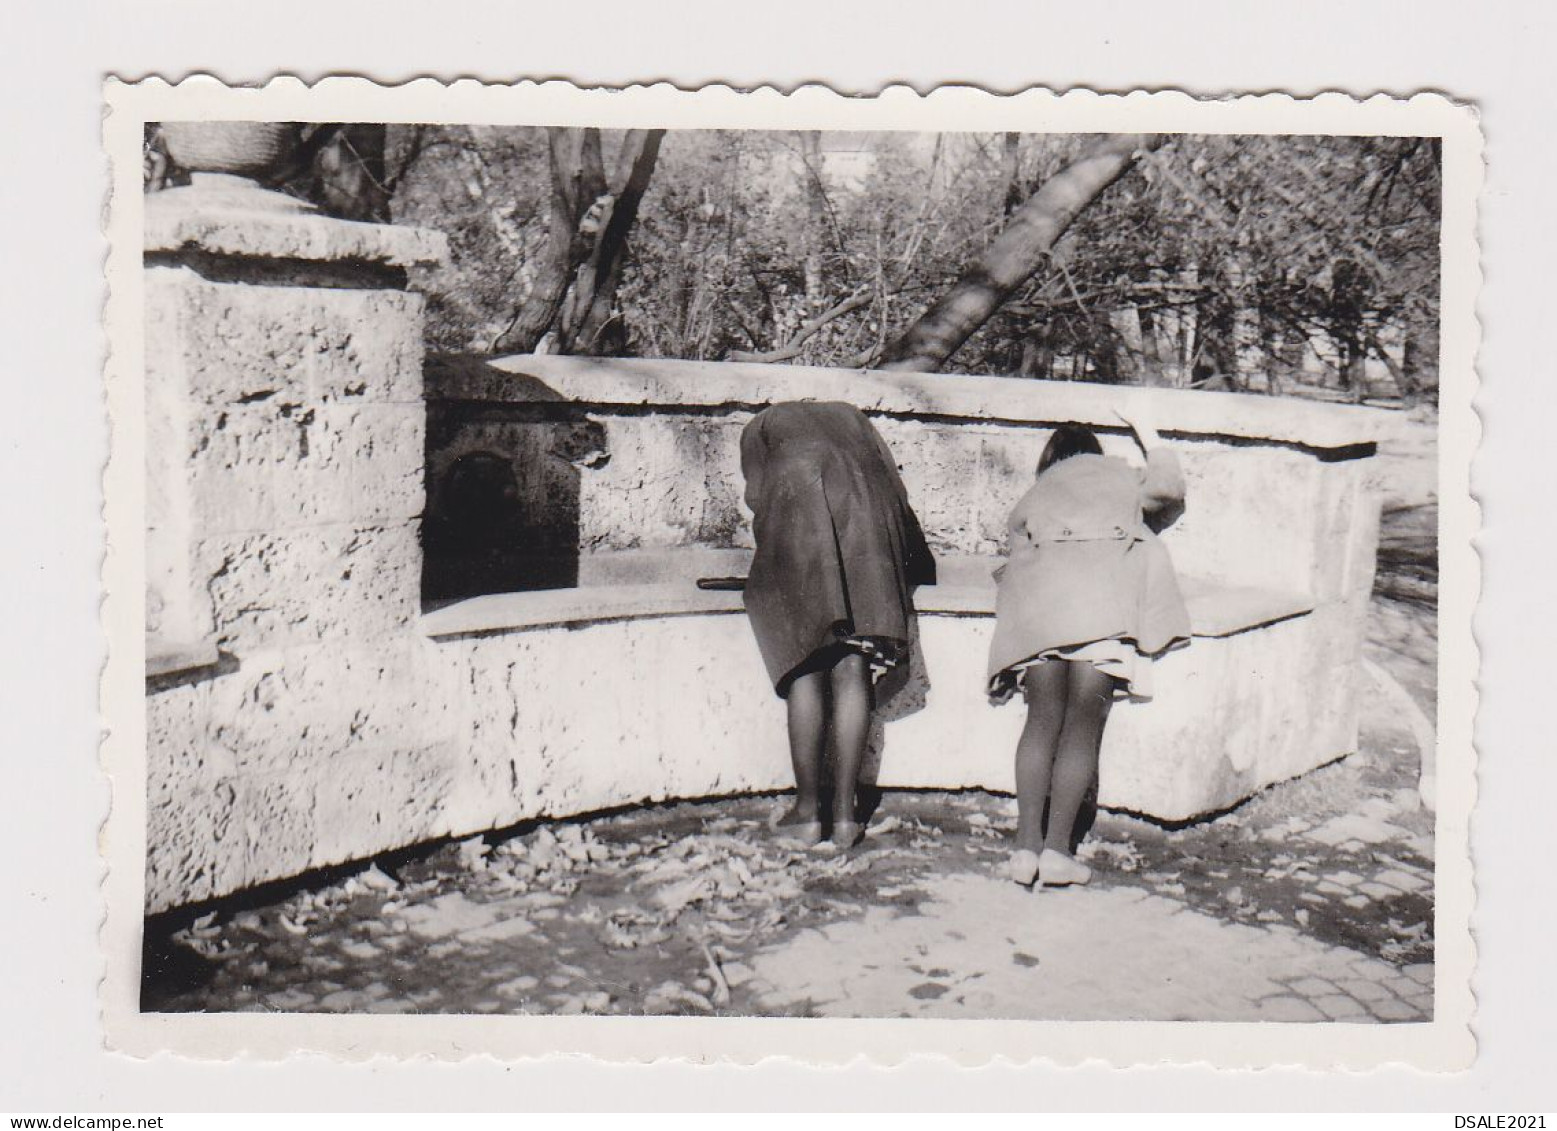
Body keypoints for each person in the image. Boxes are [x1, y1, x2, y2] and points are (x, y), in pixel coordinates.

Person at [987, 409, 1190, 887]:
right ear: (1096, 454)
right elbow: (1169, 491)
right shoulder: (1121, 478)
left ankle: (1024, 851)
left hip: (1041, 620)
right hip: (1103, 618)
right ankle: (1058, 851)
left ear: (1050, 457)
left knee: (1039, 725)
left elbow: (1015, 546)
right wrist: (1151, 435)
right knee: (1082, 729)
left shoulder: (1039, 490)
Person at [739, 401, 936, 850]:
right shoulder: (853, 420)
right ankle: (846, 817)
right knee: (853, 665)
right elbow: (899, 498)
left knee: (804, 661)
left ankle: (808, 813)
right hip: (870, 527)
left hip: (801, 518)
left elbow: (758, 498)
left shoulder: (761, 427)